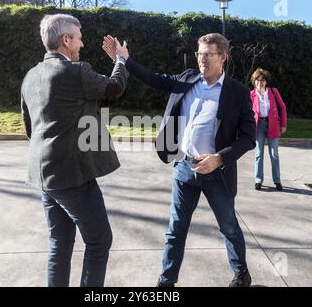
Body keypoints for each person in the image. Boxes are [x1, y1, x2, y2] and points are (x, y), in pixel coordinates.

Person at [103, 33, 256, 287]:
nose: (202, 59)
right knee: (176, 229)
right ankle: (166, 282)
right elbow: (154, 79)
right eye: (199, 54)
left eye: (208, 54)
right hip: (184, 168)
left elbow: (248, 137)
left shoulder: (237, 92)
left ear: (223, 57)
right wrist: (124, 60)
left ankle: (242, 274)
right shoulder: (188, 79)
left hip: (217, 173)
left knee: (229, 227)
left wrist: (220, 158)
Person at [21, 14, 129, 287]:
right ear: (65, 39)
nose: (81, 45)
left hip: (44, 177)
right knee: (99, 240)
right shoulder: (76, 71)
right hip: (73, 176)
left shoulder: (30, 76)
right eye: (78, 39)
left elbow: (30, 128)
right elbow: (114, 87)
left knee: (60, 243)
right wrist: (121, 60)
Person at [250, 68, 287, 191]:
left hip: (273, 124)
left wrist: (283, 124)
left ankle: (277, 181)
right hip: (258, 125)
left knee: (274, 154)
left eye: (262, 80)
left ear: (266, 81)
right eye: (257, 80)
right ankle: (258, 180)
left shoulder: (273, 92)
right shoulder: (251, 95)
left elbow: (282, 107)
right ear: (254, 82)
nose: (260, 82)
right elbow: (247, 113)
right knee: (258, 153)